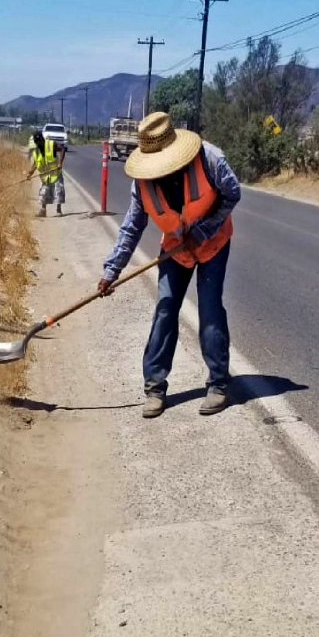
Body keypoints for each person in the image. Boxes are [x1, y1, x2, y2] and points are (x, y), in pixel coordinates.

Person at [97, 112, 240, 418]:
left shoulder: (210, 160)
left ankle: (218, 384)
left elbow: (233, 193)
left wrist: (205, 228)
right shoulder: (143, 183)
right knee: (165, 308)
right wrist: (112, 270)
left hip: (213, 244)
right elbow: (132, 228)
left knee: (210, 309)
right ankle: (154, 387)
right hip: (176, 249)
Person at [28, 128, 66, 217]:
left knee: (58, 191)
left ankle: (58, 210)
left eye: (39, 141)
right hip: (45, 176)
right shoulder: (36, 151)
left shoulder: (51, 144)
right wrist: (30, 173)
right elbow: (36, 163)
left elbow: (62, 150)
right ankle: (43, 210)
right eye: (36, 142)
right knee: (43, 192)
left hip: (55, 174)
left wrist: (60, 163)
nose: (38, 143)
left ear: (42, 139)